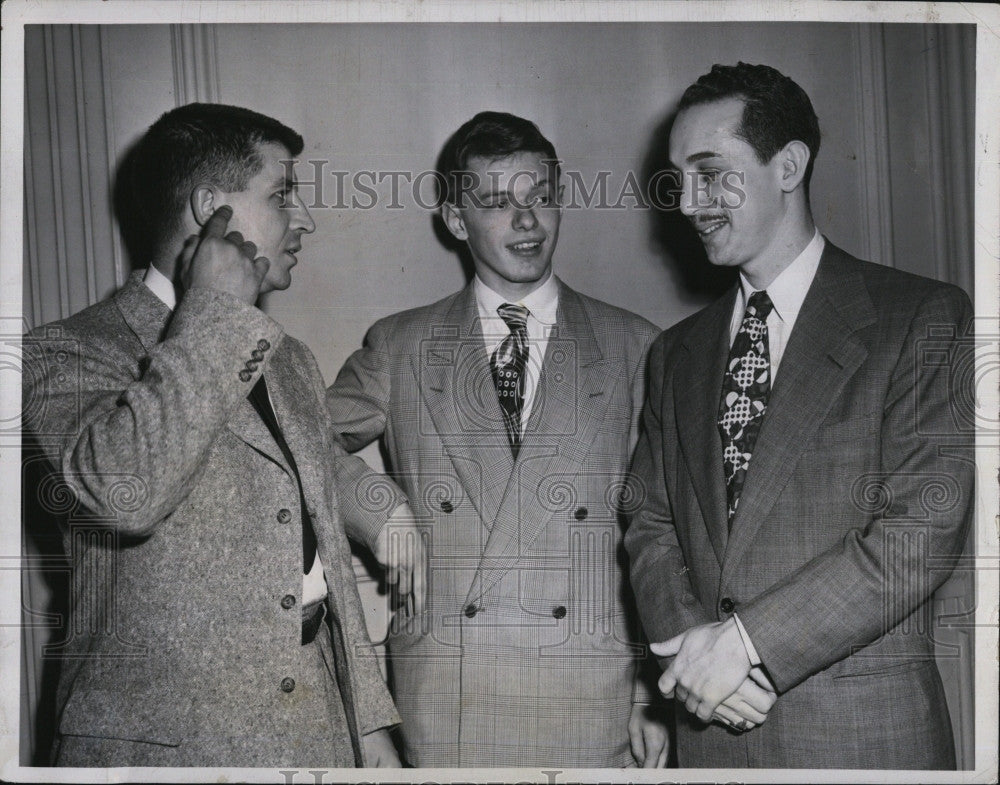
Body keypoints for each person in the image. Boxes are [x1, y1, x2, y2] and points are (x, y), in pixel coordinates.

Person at [21, 103, 410, 768]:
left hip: (313, 733)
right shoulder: (64, 352)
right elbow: (125, 491)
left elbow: (324, 552)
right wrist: (215, 312)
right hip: (167, 754)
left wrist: (369, 725)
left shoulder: (288, 359)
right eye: (283, 194)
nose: (305, 219)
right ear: (211, 210)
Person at [625, 62, 975, 769]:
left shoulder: (919, 318)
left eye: (710, 172)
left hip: (864, 740)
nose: (688, 202)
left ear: (787, 165)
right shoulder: (675, 352)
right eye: (678, 178)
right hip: (709, 735)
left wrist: (744, 644)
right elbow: (648, 518)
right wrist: (691, 649)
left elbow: (920, 531)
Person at [326, 111, 669, 767]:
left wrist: (649, 695)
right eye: (497, 202)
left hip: (592, 699)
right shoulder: (400, 346)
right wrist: (380, 509)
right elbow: (295, 434)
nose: (527, 221)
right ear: (456, 219)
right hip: (452, 701)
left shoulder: (634, 345)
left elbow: (659, 532)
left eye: (540, 196)